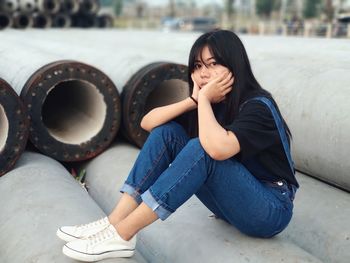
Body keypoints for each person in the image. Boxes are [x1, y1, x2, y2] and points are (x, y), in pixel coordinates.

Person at [56, 29, 298, 262]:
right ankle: (114, 221)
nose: (204, 73)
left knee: (201, 148)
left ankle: (123, 233)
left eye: (213, 64)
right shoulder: (209, 105)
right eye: (198, 66)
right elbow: (148, 123)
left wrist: (203, 99)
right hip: (230, 204)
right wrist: (193, 100)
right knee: (168, 132)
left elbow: (216, 150)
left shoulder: (257, 106)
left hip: (269, 209)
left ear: (235, 66)